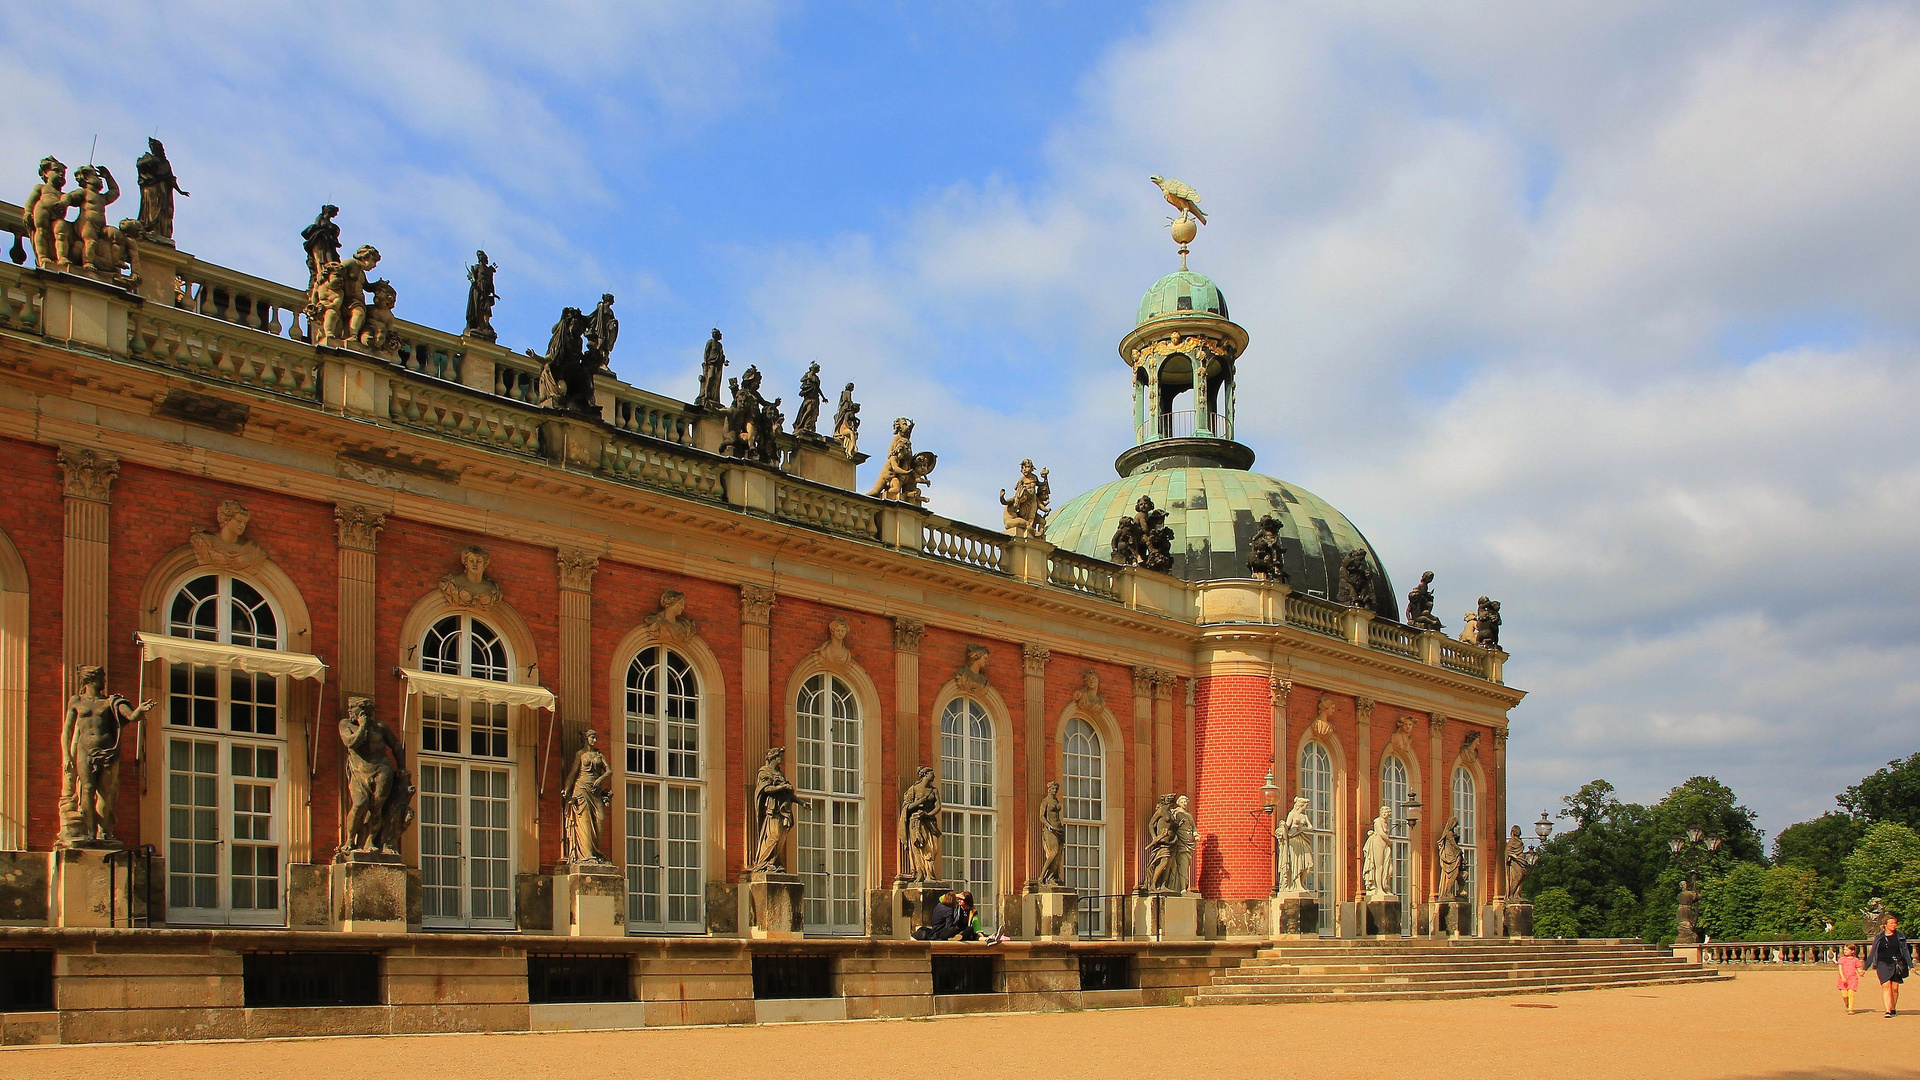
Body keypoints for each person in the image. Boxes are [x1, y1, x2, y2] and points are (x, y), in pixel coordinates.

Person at [1869, 914, 1911, 1017]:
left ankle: (1893, 1007)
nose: (1894, 925)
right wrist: (1865, 967)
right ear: (1885, 925)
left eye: (1895, 923)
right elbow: (1873, 952)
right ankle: (1887, 1010)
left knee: (1895, 988)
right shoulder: (1879, 937)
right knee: (1886, 985)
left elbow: (1905, 952)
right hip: (1882, 963)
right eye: (1891, 923)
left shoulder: (1900, 936)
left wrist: (1911, 965)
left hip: (1896, 963)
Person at [1837, 943, 1864, 1015]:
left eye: (1847, 950)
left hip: (1852, 978)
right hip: (1843, 978)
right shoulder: (1842, 959)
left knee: (1851, 993)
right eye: (1844, 950)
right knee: (1844, 995)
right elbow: (1840, 969)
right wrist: (1842, 977)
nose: (1845, 951)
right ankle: (1847, 1004)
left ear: (1852, 951)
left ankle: (1851, 1009)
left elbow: (1858, 969)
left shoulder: (1855, 960)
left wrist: (1861, 972)